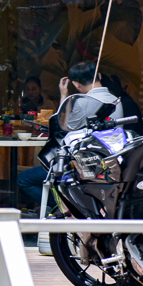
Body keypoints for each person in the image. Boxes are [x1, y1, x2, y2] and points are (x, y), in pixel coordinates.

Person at [16, 60, 123, 212]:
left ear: (76, 84)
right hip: (108, 164)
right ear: (98, 75)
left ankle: (65, 209)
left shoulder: (84, 102)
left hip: (80, 165)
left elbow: (63, 129)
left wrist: (64, 95)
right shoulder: (116, 100)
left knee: (24, 179)